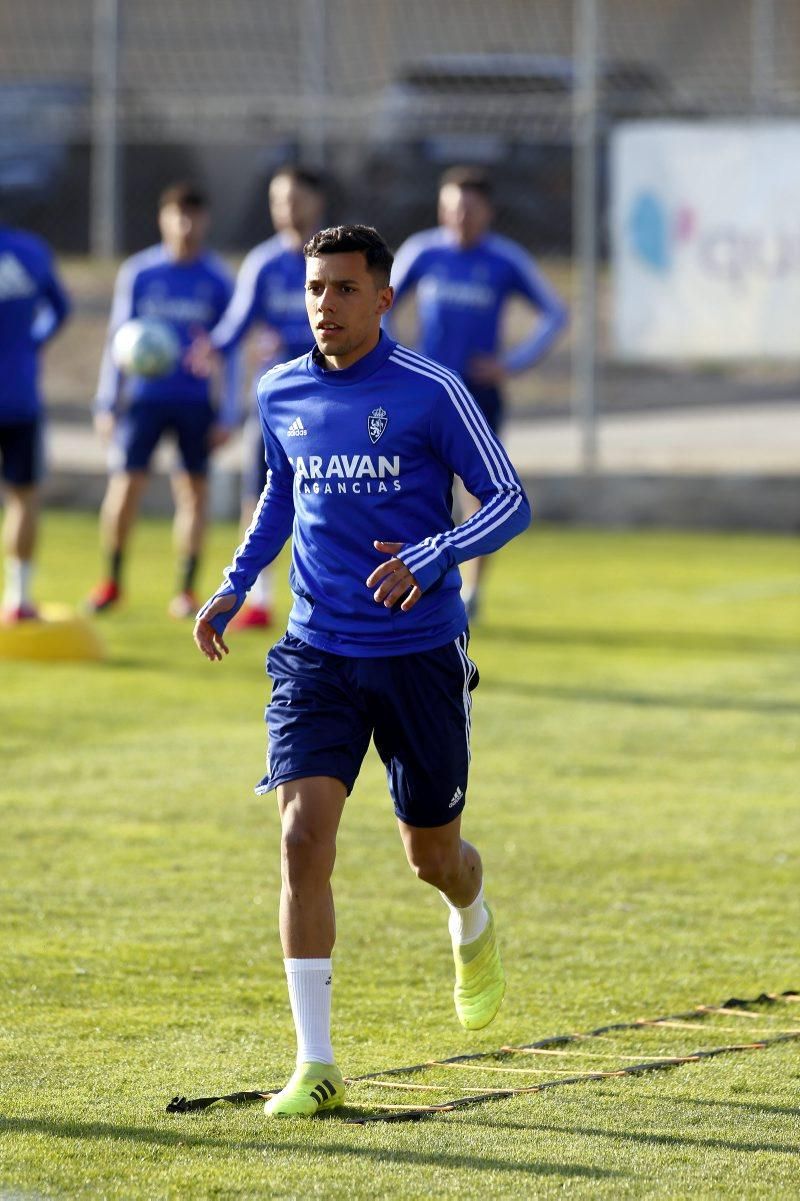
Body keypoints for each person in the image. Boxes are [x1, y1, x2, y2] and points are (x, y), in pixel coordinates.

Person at [193, 224, 531, 1118]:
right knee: (303, 838)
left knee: (433, 856)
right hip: (316, 652)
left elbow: (511, 499)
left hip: (418, 654)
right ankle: (316, 1061)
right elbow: (281, 489)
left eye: (344, 289)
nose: (324, 305)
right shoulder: (280, 388)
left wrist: (434, 555)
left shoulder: (431, 391)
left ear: (382, 298)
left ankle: (472, 916)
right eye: (314, 288)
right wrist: (234, 584)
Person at [388, 165, 566, 621]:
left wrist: (511, 364)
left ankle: (471, 591)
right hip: (425, 398)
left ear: (487, 211)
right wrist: (397, 357)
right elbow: (380, 303)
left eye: (468, 208)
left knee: (481, 494)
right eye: (451, 208)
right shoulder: (423, 253)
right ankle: (414, 577)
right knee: (417, 488)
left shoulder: (504, 260)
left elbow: (554, 314)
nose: (459, 217)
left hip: (478, 398)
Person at [88, 182, 239, 618]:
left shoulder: (216, 279)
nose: (186, 226)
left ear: (205, 220)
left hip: (193, 403)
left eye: (194, 216)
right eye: (178, 216)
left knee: (193, 492)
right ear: (163, 219)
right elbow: (117, 340)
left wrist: (228, 412)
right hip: (144, 400)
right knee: (125, 485)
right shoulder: (139, 273)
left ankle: (187, 591)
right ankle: (112, 582)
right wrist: (105, 403)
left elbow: (227, 354)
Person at [191, 165, 326, 629]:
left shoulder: (332, 258)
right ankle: (261, 598)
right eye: (277, 199)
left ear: (316, 202)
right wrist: (214, 346)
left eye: (294, 198)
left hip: (328, 400)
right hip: (276, 403)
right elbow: (238, 320)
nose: (285, 208)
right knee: (265, 493)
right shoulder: (263, 262)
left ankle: (331, 593)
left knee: (335, 496)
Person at [0, 220, 71, 623]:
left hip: (19, 396)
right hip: (19, 395)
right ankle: (18, 598)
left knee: (23, 497)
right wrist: (31, 343)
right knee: (23, 497)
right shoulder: (31, 250)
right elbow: (60, 309)